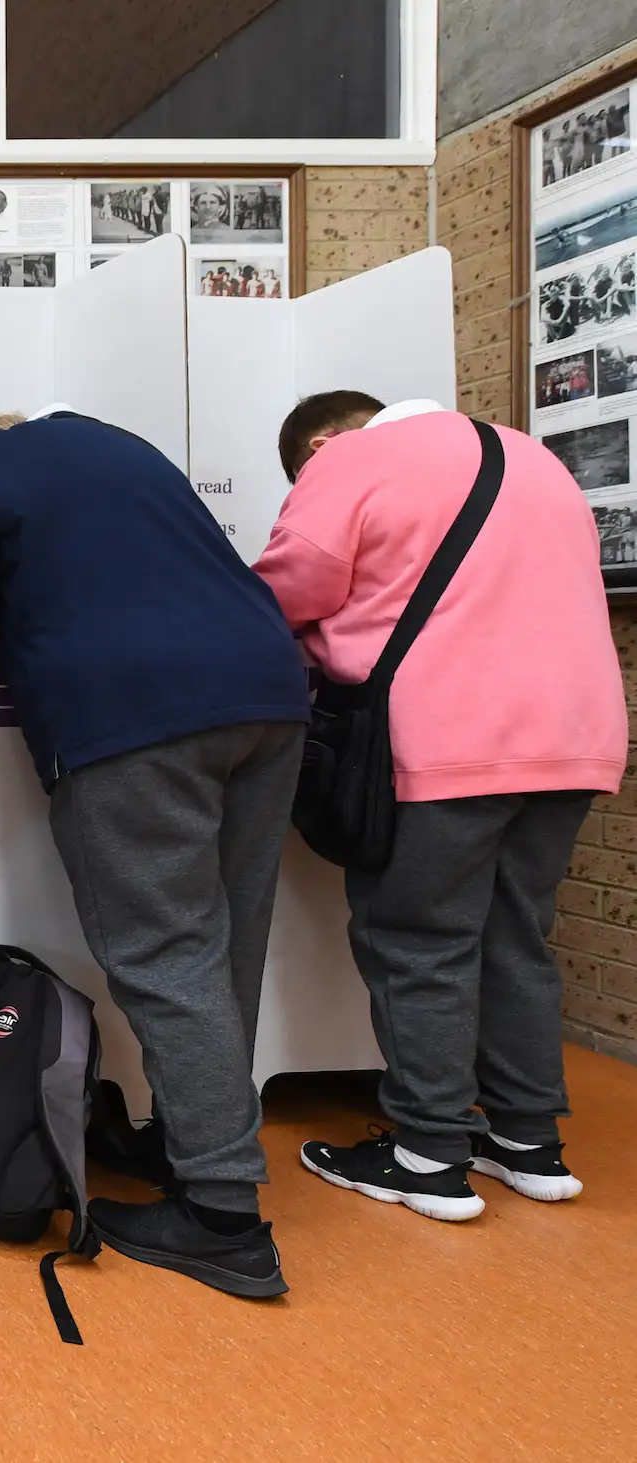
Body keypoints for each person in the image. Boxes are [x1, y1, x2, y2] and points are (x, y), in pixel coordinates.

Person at [0, 406, 310, 1299]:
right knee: (226, 942)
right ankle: (196, 1143)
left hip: (134, 711)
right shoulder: (123, 449)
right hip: (266, 691)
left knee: (166, 953)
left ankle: (221, 1216)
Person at [260, 393, 626, 1221]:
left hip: (450, 736)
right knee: (513, 933)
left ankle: (426, 1152)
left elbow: (288, 587)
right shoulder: (533, 458)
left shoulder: (350, 459)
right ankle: (527, 1140)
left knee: (417, 938)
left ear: (321, 443)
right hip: (575, 737)